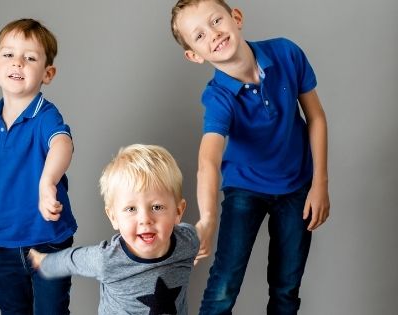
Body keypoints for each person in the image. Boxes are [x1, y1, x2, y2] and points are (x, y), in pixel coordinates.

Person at [170, 1, 330, 314]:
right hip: (246, 188)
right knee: (223, 287)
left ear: (236, 17)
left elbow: (317, 117)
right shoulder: (218, 97)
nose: (213, 34)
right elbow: (208, 161)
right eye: (199, 36)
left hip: (297, 186)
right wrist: (207, 219)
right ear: (194, 55)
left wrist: (320, 183)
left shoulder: (286, 53)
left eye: (216, 21)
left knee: (286, 288)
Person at [0, 18, 77, 315]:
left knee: (51, 310)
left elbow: (62, 144)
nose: (17, 63)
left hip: (48, 239)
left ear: (48, 73)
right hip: (4, 241)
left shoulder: (45, 116)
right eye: (9, 55)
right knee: (12, 310)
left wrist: (47, 183)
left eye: (30, 58)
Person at [29, 144, 200, 315]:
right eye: (131, 209)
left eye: (156, 207)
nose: (145, 220)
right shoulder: (107, 260)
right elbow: (72, 261)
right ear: (113, 217)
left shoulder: (188, 241)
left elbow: (200, 234)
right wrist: (43, 262)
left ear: (178, 211)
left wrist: (207, 223)